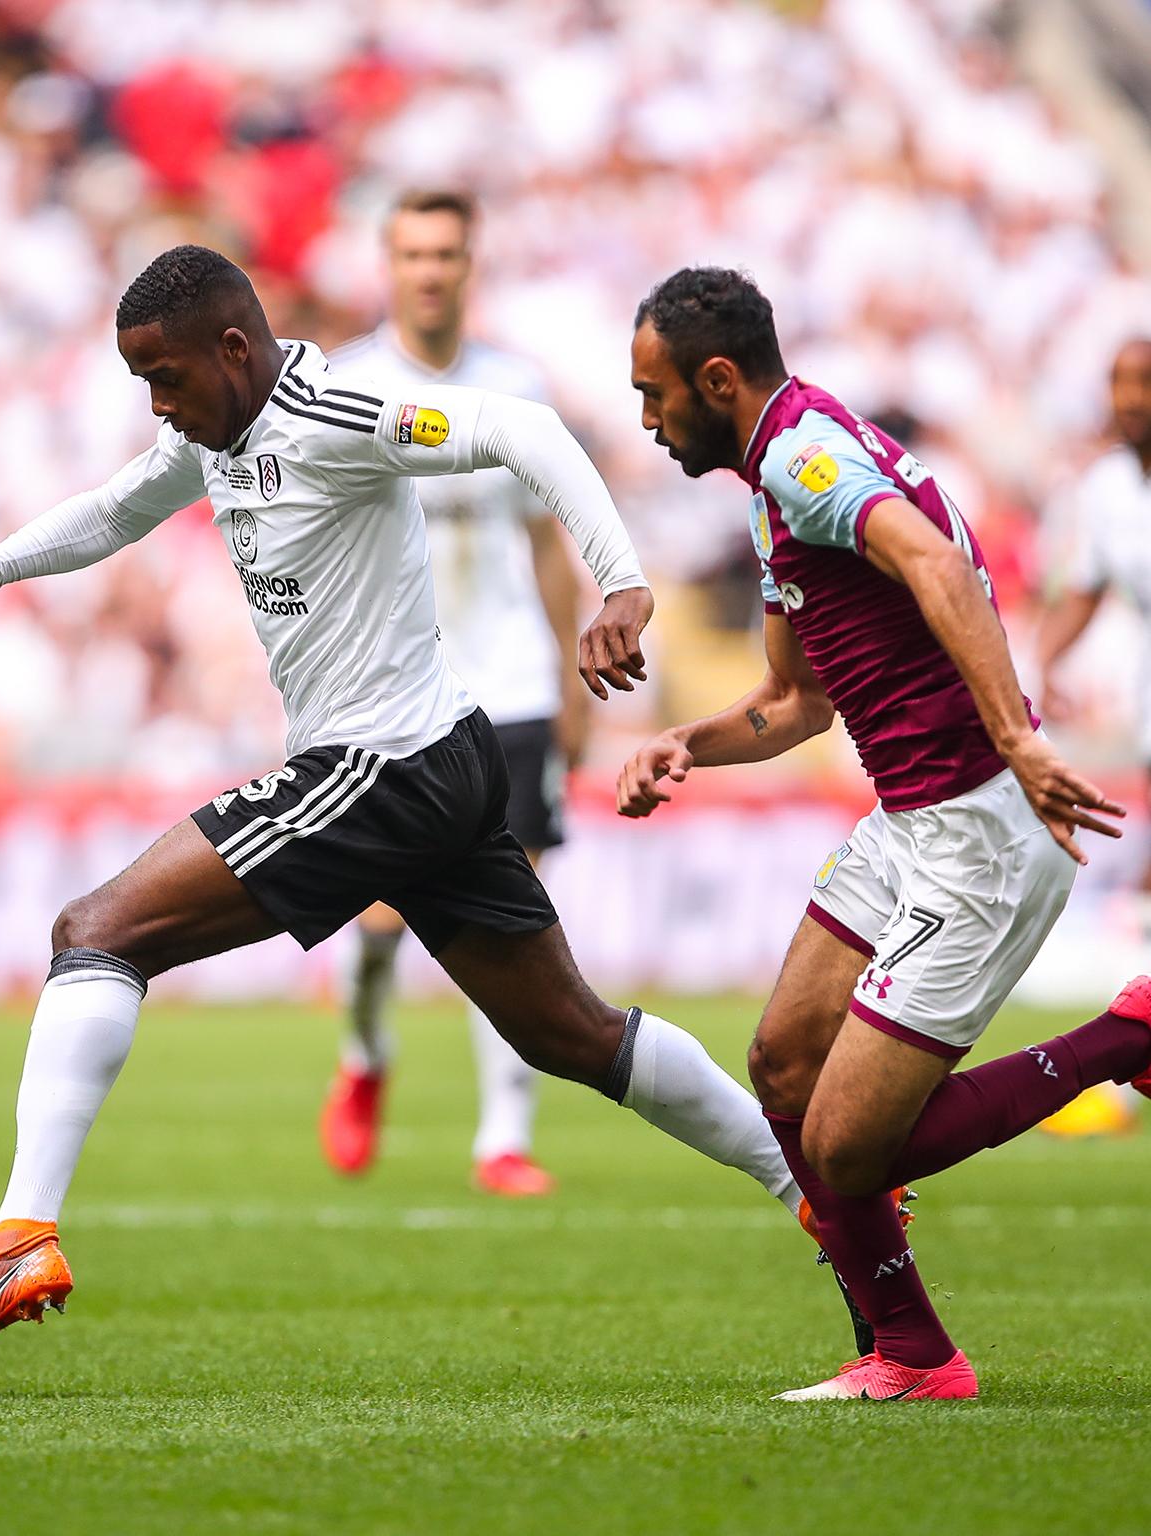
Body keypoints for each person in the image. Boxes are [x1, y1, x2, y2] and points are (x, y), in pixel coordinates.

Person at [0, 244, 821, 1390]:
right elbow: (117, 508)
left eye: (163, 378)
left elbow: (524, 431)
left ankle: (19, 1240)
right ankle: (816, 1187)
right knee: (567, 1033)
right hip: (443, 760)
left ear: (232, 349)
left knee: (96, 933)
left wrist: (619, 580)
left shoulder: (340, 411)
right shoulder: (214, 432)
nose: (157, 406)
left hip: (384, 766)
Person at [620, 265, 1146, 1401]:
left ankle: (1135, 1035)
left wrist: (1015, 736)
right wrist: (686, 745)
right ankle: (910, 1354)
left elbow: (938, 563)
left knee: (848, 1151)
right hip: (908, 819)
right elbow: (794, 701)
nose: (647, 422)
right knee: (781, 1069)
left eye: (654, 396)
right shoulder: (780, 477)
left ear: (718, 379)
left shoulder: (809, 461)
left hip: (977, 831)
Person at [321, 188, 582, 1195]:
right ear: (387, 266)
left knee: (515, 914)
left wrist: (570, 680)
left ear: (470, 267)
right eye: (413, 252)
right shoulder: (345, 385)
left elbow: (545, 539)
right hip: (391, 690)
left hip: (509, 681)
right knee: (380, 919)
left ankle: (501, 1138)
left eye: (446, 254)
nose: (430, 270)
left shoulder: (514, 387)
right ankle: (362, 1057)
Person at [1038, 335, 1151, 898]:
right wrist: (1046, 662)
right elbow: (1086, 588)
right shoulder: (1107, 485)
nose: (1131, 398)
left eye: (1145, 382)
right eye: (1119, 382)